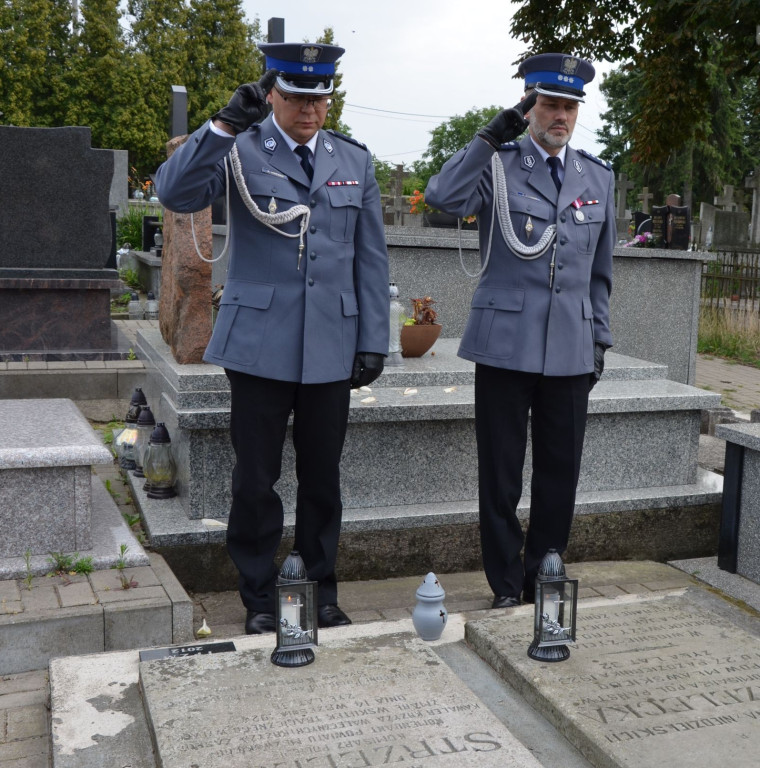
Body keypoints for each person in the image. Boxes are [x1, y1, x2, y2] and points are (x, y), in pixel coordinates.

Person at [155, 43, 389, 634]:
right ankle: (260, 599)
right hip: (260, 342)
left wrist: (374, 338)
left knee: (323, 478)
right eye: (296, 96)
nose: (309, 108)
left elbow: (370, 258)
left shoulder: (354, 161)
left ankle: (319, 591)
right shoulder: (240, 149)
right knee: (255, 479)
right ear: (273, 94)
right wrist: (224, 125)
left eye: (320, 96)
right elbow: (175, 194)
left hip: (331, 343)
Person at [425, 53, 614, 609]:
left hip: (571, 350)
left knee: (561, 475)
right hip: (506, 346)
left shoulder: (596, 176)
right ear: (530, 106)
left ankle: (545, 575)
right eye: (550, 104)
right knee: (501, 477)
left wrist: (598, 339)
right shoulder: (497, 165)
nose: (560, 116)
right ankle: (507, 586)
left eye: (569, 107)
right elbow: (442, 197)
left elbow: (600, 273)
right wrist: (488, 137)